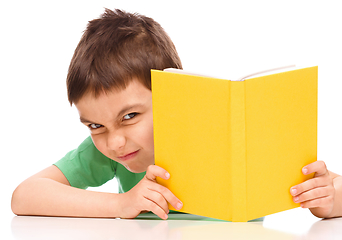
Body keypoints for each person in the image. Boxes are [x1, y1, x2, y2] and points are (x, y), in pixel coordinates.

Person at [11, 8, 342, 220]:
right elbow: (25, 196)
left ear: (172, 96)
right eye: (95, 125)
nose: (114, 141)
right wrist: (120, 204)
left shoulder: (226, 136)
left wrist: (327, 200)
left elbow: (330, 188)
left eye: (129, 116)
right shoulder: (111, 154)